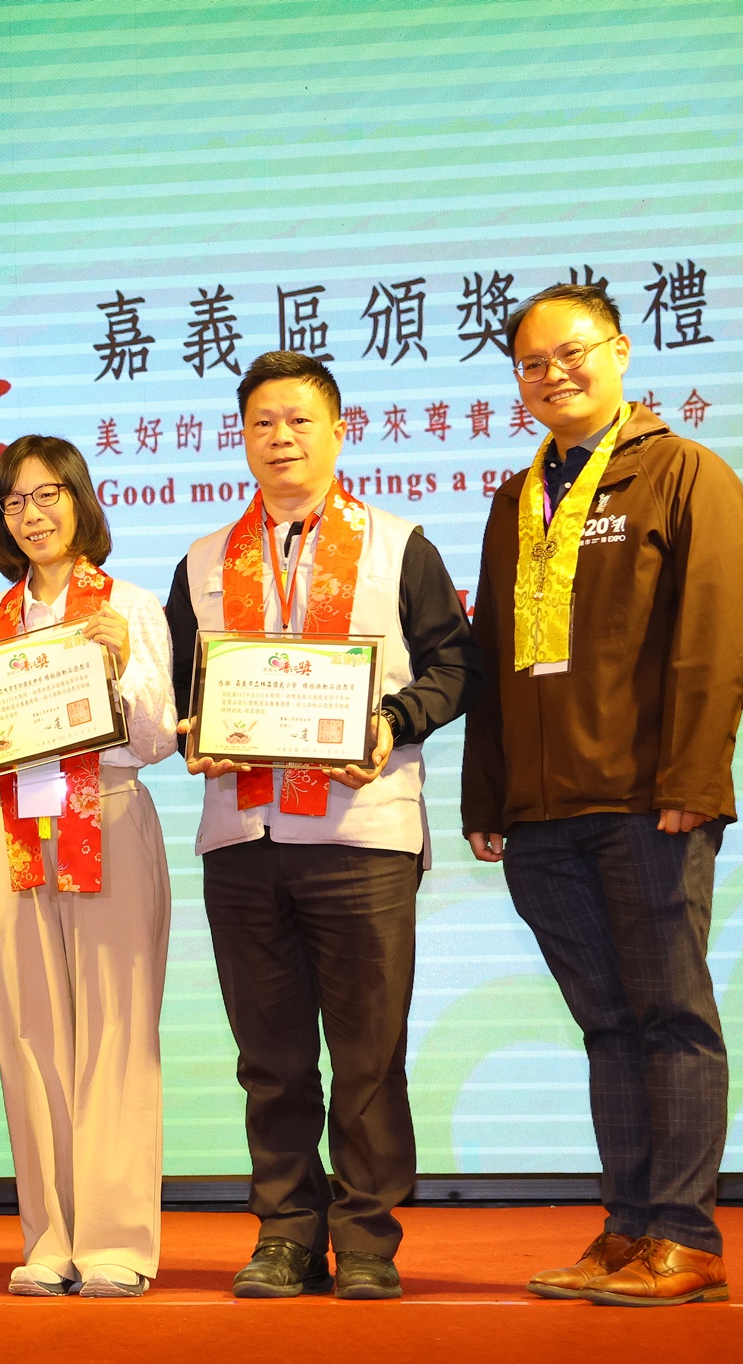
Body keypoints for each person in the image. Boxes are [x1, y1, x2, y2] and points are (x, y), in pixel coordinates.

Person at [462, 284, 743, 1307]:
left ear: (621, 351)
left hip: (646, 801)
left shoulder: (684, 473)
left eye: (572, 352)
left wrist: (693, 779)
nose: (554, 374)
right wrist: (488, 794)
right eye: (532, 363)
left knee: (672, 1016)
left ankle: (687, 1236)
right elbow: (494, 658)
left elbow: (715, 637)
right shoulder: (516, 498)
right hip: (542, 813)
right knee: (607, 1026)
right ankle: (628, 1229)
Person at [166, 351, 480, 1301]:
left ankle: (369, 1239)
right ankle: (286, 1235)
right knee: (270, 1057)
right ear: (242, 438)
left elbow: (456, 666)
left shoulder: (399, 544)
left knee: (368, 1053)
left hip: (363, 836)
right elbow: (184, 689)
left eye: (300, 420)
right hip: (244, 838)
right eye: (263, 422)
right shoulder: (202, 560)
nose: (282, 438)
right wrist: (191, 732)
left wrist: (391, 720)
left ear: (340, 431)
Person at [0, 435, 176, 1299]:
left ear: (81, 500)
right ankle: (49, 1236)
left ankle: (116, 1240)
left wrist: (118, 666)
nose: (32, 514)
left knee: (117, 1031)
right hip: (17, 829)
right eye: (13, 501)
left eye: (48, 495)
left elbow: (156, 740)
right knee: (28, 1035)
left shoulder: (129, 606)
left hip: (108, 818)